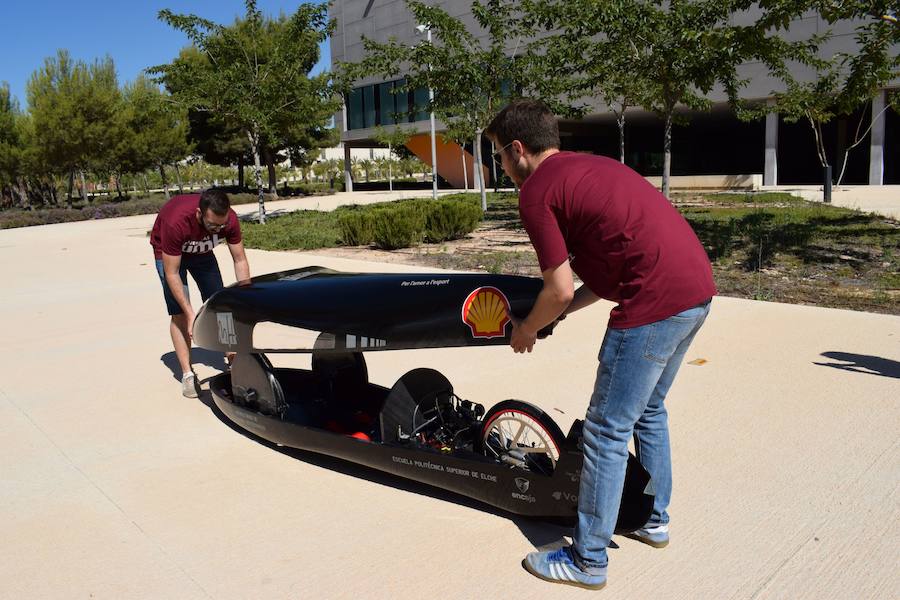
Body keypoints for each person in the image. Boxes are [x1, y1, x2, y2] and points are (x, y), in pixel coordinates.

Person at [485, 100, 716, 591]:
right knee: (649, 412)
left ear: (517, 150)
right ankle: (654, 521)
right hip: (695, 293)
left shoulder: (536, 191)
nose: (501, 168)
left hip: (653, 304)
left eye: (498, 157)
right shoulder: (590, 167)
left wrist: (526, 329)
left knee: (606, 432)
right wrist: (556, 317)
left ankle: (587, 560)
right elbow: (596, 282)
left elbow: (559, 288)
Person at [149, 189, 250, 398]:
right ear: (199, 214)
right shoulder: (176, 222)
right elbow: (172, 272)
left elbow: (239, 260)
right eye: (212, 225)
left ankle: (234, 361)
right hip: (169, 256)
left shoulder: (228, 220)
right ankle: (187, 374)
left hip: (202, 254)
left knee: (222, 306)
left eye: (221, 226)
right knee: (178, 313)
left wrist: (246, 297)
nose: (217, 230)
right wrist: (190, 314)